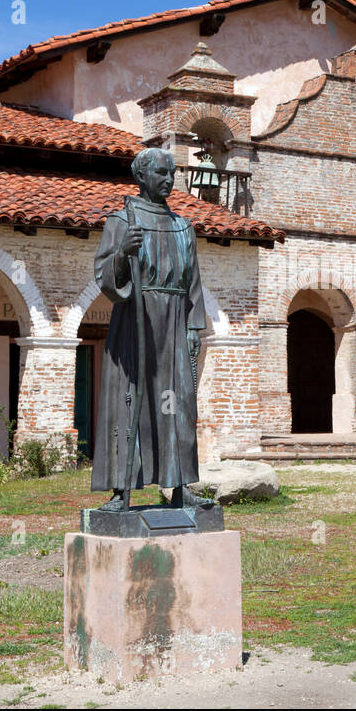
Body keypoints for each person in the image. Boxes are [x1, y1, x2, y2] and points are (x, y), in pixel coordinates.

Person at [91, 147, 207, 509]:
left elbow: (193, 283)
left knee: (177, 405)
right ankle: (120, 490)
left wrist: (193, 326)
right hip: (135, 322)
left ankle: (180, 484)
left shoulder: (182, 226)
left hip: (173, 324)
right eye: (161, 173)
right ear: (141, 176)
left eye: (172, 173)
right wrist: (123, 252)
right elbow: (104, 277)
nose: (169, 180)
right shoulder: (122, 221)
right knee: (127, 403)